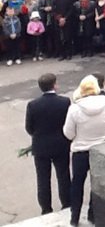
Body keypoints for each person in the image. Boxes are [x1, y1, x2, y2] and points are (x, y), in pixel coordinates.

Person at [63, 75, 105, 226]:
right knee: (98, 184)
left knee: (77, 183)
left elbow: (68, 133)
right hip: (102, 149)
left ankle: (74, 217)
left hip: (81, 150)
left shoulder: (75, 109)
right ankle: (93, 214)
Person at [25, 73, 71, 215]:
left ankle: (46, 208)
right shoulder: (64, 102)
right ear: (54, 85)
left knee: (43, 178)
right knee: (63, 176)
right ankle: (67, 203)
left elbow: (29, 127)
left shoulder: (33, 105)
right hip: (61, 144)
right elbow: (68, 123)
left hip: (41, 146)